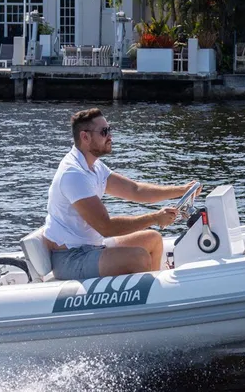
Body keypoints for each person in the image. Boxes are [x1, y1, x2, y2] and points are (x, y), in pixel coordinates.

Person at [44, 108, 198, 280]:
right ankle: (146, 301)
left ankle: (154, 298)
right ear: (85, 137)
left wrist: (181, 190)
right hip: (71, 258)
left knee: (153, 239)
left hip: (92, 246)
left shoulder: (94, 166)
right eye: (104, 132)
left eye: (110, 129)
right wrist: (155, 218)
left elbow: (135, 190)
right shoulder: (73, 174)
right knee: (138, 258)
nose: (110, 136)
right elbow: (106, 227)